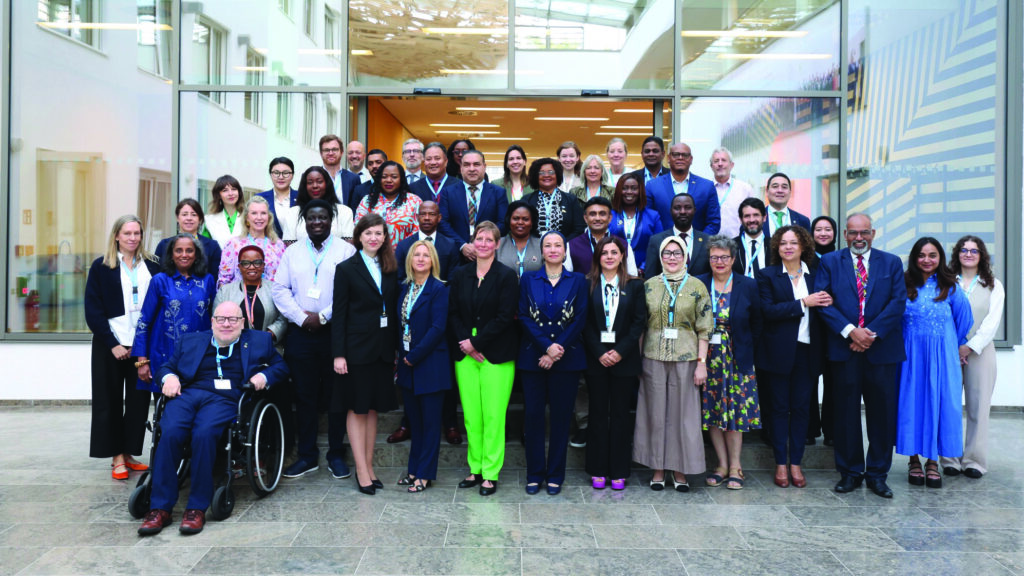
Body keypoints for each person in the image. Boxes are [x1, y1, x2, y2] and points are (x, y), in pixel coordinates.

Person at [136, 302, 288, 537]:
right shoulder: (191, 340)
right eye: (221, 319)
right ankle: (159, 508)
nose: (226, 324)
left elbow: (281, 368)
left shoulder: (259, 341)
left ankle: (196, 507)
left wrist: (263, 375)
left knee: (204, 433)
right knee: (171, 431)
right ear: (212, 321)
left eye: (233, 319)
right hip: (187, 394)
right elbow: (165, 367)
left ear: (242, 323)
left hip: (225, 399)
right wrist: (168, 378)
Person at [815, 213, 907, 498]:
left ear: (873, 233)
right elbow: (822, 301)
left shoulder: (891, 262)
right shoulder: (830, 262)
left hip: (881, 352)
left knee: (882, 415)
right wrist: (851, 331)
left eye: (864, 232)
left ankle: (878, 474)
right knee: (845, 415)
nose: (859, 238)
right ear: (844, 234)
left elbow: (897, 302)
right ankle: (851, 472)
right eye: (853, 233)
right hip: (845, 351)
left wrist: (870, 334)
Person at [272, 199, 357, 480]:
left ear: (331, 220)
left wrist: (322, 317)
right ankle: (307, 455)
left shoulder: (346, 250)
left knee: (336, 396)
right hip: (301, 334)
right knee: (305, 396)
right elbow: (280, 289)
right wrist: (301, 317)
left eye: (322, 218)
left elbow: (351, 290)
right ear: (304, 222)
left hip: (335, 333)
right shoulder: (292, 252)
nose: (317, 222)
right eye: (311, 218)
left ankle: (336, 453)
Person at [86, 215, 162, 480]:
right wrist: (113, 344)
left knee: (139, 400)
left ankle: (129, 453)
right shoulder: (102, 266)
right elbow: (93, 311)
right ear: (117, 236)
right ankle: (116, 455)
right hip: (111, 344)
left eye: (137, 233)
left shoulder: (152, 265)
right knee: (109, 400)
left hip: (142, 344)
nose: (132, 238)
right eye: (127, 233)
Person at [635, 236, 712, 492]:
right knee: (655, 414)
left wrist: (702, 363)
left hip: (686, 359)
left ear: (685, 256)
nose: (671, 257)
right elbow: (640, 327)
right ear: (660, 256)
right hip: (653, 357)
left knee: (684, 416)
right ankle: (658, 468)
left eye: (677, 252)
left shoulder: (697, 286)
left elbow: (705, 329)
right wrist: (638, 360)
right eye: (667, 252)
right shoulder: (649, 286)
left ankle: (680, 469)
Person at [448, 222, 519, 496]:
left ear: (497, 244)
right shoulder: (460, 274)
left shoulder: (506, 276)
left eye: (489, 239)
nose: (484, 243)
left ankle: (490, 472)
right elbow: (453, 312)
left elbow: (505, 316)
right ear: (473, 242)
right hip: (464, 354)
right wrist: (466, 343)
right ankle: (474, 468)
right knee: (471, 417)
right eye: (479, 238)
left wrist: (476, 343)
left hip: (496, 354)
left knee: (493, 415)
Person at [757, 226, 831, 489]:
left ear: (803, 247)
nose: (788, 247)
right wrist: (803, 303)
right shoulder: (767, 276)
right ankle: (780, 463)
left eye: (794, 242)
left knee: (801, 410)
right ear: (776, 248)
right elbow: (767, 310)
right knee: (778, 409)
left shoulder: (818, 275)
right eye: (783, 243)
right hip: (777, 353)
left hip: (808, 351)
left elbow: (828, 307)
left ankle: (796, 463)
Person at [897, 238, 973, 489]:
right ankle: (914, 460)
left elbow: (964, 321)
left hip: (942, 359)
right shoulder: (903, 283)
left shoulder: (951, 287)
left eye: (932, 255)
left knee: (939, 406)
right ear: (914, 258)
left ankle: (933, 462)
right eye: (921, 255)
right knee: (912, 405)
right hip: (910, 358)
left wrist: (950, 344)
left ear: (940, 258)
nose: (927, 260)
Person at [333, 214, 400, 495]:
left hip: (383, 349)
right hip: (356, 350)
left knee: (373, 409)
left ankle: (370, 467)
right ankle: (361, 470)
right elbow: (340, 314)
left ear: (385, 237)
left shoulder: (390, 267)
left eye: (379, 233)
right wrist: (339, 354)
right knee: (357, 408)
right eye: (369, 233)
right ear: (359, 236)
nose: (374, 238)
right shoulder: (346, 268)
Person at [518, 231, 588, 495]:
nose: (553, 249)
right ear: (542, 251)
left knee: (561, 420)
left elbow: (579, 319)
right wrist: (546, 347)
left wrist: (556, 350)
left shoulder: (578, 280)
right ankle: (534, 474)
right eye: (548, 245)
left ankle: (556, 474)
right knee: (533, 418)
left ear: (565, 250)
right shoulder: (528, 279)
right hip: (533, 358)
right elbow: (523, 316)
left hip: (567, 359)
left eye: (558, 245)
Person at [388, 201, 462, 445]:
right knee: (411, 380)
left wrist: (432, 302)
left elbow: (452, 280)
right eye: (423, 213)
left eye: (432, 214)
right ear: (416, 216)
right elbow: (400, 278)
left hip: (440, 317)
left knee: (441, 374)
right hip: (411, 318)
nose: (427, 217)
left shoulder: (450, 245)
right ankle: (408, 423)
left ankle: (450, 423)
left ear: (439, 217)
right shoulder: (406, 244)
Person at [698, 235, 763, 490]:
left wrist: (748, 350)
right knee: (713, 412)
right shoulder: (701, 283)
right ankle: (721, 465)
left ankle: (736, 466)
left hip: (738, 359)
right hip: (707, 359)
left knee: (736, 413)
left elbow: (757, 323)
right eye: (714, 257)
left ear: (734, 259)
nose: (719, 261)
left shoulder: (747, 285)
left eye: (724, 257)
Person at [582, 236, 645, 490]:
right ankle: (597, 468)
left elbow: (638, 323)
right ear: (598, 257)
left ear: (622, 256)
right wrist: (600, 352)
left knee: (620, 415)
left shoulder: (636, 286)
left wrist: (619, 352)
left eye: (614, 252)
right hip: (596, 360)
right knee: (597, 414)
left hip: (624, 360)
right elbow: (584, 323)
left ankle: (619, 470)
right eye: (604, 252)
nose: (609, 256)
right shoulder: (587, 284)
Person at [941, 235, 1005, 479]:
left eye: (974, 251)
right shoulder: (947, 282)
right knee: (950, 406)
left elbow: (992, 323)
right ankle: (949, 459)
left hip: (980, 352)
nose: (968, 254)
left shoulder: (993, 285)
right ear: (957, 254)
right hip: (950, 351)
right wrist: (955, 346)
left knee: (979, 408)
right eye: (964, 250)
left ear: (982, 256)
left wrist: (969, 347)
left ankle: (974, 461)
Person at [395, 241, 451, 492]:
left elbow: (438, 328)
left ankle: (425, 474)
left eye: (425, 255)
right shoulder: (404, 288)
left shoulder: (440, 289)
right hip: (407, 365)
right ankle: (413, 469)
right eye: (415, 254)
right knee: (414, 422)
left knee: (429, 424)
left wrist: (414, 355)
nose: (420, 258)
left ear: (433, 260)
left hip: (430, 364)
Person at [133, 234, 216, 395]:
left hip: (200, 356)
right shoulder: (159, 281)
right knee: (165, 411)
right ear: (171, 255)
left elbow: (215, 318)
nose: (184, 254)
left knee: (198, 406)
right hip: (165, 356)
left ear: (197, 255)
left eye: (189, 250)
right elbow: (144, 321)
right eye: (178, 250)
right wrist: (142, 360)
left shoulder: (208, 280)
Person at [440, 150, 508, 260]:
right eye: (467, 165)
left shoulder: (498, 192)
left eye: (476, 164)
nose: (472, 169)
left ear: (484, 167)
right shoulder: (448, 193)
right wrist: (462, 245)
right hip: (456, 255)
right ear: (461, 168)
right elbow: (443, 223)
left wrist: (483, 244)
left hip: (489, 255)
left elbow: (503, 223)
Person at [214, 245, 287, 345]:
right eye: (246, 263)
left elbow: (283, 318)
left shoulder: (275, 289)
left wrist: (267, 337)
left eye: (257, 263)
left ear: (263, 265)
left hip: (267, 346)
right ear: (239, 267)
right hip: (234, 347)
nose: (252, 267)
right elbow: (217, 319)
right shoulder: (225, 291)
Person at [807, 215, 839, 446]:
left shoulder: (842, 258)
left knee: (833, 380)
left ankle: (831, 430)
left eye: (828, 229)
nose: (823, 233)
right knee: (809, 379)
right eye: (818, 229)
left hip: (836, 326)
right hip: (810, 325)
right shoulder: (805, 259)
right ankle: (809, 429)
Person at [646, 142, 721, 235]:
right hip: (663, 246)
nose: (680, 158)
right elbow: (648, 220)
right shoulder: (652, 186)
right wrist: (664, 242)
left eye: (685, 155)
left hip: (698, 247)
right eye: (676, 154)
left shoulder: (707, 186)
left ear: (691, 159)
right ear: (669, 158)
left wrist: (699, 243)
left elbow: (713, 222)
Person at [217, 196, 286, 288]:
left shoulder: (279, 245)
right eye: (254, 213)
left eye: (263, 213)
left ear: (269, 217)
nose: (259, 217)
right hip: (240, 299)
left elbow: (284, 279)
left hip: (270, 299)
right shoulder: (234, 244)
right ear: (247, 218)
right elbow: (224, 281)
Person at [355, 160, 423, 245]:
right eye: (384, 177)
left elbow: (419, 229)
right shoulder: (367, 200)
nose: (389, 180)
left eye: (394, 177)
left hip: (405, 253)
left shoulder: (414, 201)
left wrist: (401, 248)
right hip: (374, 252)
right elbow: (359, 227)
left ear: (401, 179)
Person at [566, 196, 637, 277]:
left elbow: (632, 277)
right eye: (592, 214)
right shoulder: (572, 245)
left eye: (602, 214)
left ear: (610, 218)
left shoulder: (623, 245)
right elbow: (567, 279)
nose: (597, 218)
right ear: (585, 218)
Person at [280, 166, 355, 242]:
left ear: (327, 184)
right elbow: (289, 246)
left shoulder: (344, 211)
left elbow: (349, 246)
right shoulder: (293, 213)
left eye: (319, 182)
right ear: (304, 186)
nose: (315, 186)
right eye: (310, 182)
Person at [644, 193, 711, 278]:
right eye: (677, 208)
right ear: (671, 211)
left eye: (688, 208)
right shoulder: (657, 241)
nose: (682, 212)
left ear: (694, 210)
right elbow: (650, 278)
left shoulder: (707, 240)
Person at [609, 172, 662, 275]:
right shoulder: (609, 216)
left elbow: (658, 247)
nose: (629, 192)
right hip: (614, 273)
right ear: (619, 191)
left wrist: (643, 268)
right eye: (624, 188)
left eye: (634, 188)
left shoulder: (653, 216)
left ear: (640, 191)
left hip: (645, 273)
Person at [155, 199, 222, 279]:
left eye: (194, 215)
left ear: (200, 219)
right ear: (177, 218)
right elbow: (158, 276)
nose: (189, 218)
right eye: (184, 214)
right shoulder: (164, 245)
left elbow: (215, 278)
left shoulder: (212, 246)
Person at [523, 157, 585, 239]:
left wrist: (562, 244)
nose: (547, 175)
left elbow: (579, 228)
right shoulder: (527, 200)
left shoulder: (571, 200)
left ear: (558, 174)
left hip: (564, 248)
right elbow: (522, 227)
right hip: (533, 249)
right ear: (535, 175)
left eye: (551, 172)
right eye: (542, 173)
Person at [709, 147, 757, 238]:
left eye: (723, 160)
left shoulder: (745, 189)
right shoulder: (705, 189)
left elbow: (753, 216)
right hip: (711, 244)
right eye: (716, 161)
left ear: (731, 165)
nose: (720, 164)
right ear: (711, 166)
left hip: (738, 243)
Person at [496, 200, 543, 279]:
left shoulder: (541, 245)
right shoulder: (498, 244)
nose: (520, 222)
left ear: (532, 222)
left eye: (525, 219)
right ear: (509, 220)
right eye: (516, 218)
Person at [257, 157, 298, 239]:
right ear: (270, 174)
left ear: (292, 175)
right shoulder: (260, 199)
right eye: (276, 173)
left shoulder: (302, 197)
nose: (281, 177)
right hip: (269, 248)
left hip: (297, 248)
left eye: (286, 173)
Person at [319, 134, 362, 210]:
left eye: (335, 149)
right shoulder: (311, 177)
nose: (331, 153)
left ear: (342, 152)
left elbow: (356, 207)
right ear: (321, 153)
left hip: (345, 221)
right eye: (326, 150)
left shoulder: (354, 178)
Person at [203, 175, 247, 248]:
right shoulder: (209, 220)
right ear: (219, 195)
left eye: (234, 189)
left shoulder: (248, 217)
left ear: (239, 192)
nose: (230, 193)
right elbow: (205, 248)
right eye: (225, 190)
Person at [763, 172, 811, 237]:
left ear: (790, 193)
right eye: (775, 186)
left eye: (784, 187)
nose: (780, 190)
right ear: (767, 191)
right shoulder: (756, 219)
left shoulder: (802, 221)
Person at [731, 198, 768, 279]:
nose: (752, 220)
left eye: (756, 215)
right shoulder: (731, 246)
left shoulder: (774, 245)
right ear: (741, 220)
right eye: (747, 216)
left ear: (764, 217)